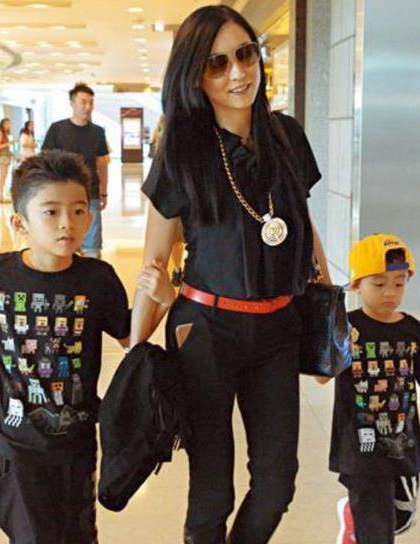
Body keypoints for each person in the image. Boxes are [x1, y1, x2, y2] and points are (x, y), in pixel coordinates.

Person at [130, 5, 331, 543]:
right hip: (205, 332)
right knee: (212, 492)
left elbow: (305, 229)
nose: (238, 73)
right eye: (217, 64)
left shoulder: (287, 136)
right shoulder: (181, 152)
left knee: (277, 484)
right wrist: (135, 351)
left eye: (245, 55)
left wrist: (328, 321)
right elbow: (154, 262)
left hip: (278, 329)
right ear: (194, 76)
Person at [0, 150, 131, 543]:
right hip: (15, 436)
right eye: (51, 212)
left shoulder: (98, 279)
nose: (67, 223)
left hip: (75, 436)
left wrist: (158, 298)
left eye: (78, 211)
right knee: (32, 535)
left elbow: (131, 339)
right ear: (19, 222)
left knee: (78, 532)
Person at [327, 234, 420, 544]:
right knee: (378, 528)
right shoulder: (346, 326)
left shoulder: (413, 330)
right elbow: (322, 377)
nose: (390, 292)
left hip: (404, 443)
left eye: (399, 283)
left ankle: (352, 519)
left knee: (401, 517)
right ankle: (361, 526)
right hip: (360, 445)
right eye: (379, 284)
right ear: (357, 284)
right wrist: (339, 346)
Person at [42, 82, 109, 259]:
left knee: (92, 246)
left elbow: (102, 163)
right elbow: (46, 160)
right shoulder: (57, 129)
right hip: (60, 194)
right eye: (83, 102)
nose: (88, 107)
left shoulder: (98, 132)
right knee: (62, 241)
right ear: (72, 103)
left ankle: (92, 276)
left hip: (90, 194)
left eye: (91, 103)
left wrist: (104, 192)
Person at [0, 118, 13, 203]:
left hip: (5, 156)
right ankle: (1, 196)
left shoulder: (4, 134)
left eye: (9, 124)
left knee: (3, 177)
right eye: (7, 124)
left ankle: (1, 196)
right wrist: (8, 143)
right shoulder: (0, 133)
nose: (8, 126)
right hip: (3, 157)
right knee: (2, 177)